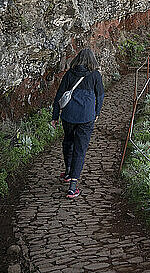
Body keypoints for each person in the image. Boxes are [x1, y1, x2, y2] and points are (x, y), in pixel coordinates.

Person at [51, 48, 104, 198]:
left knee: (67, 142)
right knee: (80, 150)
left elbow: (59, 96)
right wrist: (97, 113)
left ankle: (68, 171)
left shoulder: (69, 74)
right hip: (86, 117)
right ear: (92, 60)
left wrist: (55, 115)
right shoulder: (95, 75)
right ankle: (73, 187)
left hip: (68, 115)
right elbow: (100, 96)